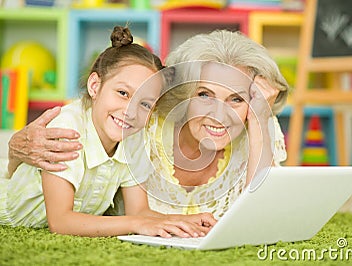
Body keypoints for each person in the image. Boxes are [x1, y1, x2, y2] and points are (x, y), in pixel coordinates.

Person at [7, 30, 289, 220]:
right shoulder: (142, 118)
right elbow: (87, 118)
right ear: (182, 93)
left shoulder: (258, 125)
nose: (220, 114)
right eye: (204, 94)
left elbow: (261, 217)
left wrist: (261, 119)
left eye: (236, 99)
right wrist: (14, 148)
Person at [0, 26, 215, 237]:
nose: (131, 111)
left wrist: (183, 220)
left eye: (145, 104)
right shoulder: (68, 127)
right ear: (95, 86)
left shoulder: (134, 137)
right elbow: (61, 221)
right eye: (123, 93)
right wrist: (137, 224)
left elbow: (138, 212)